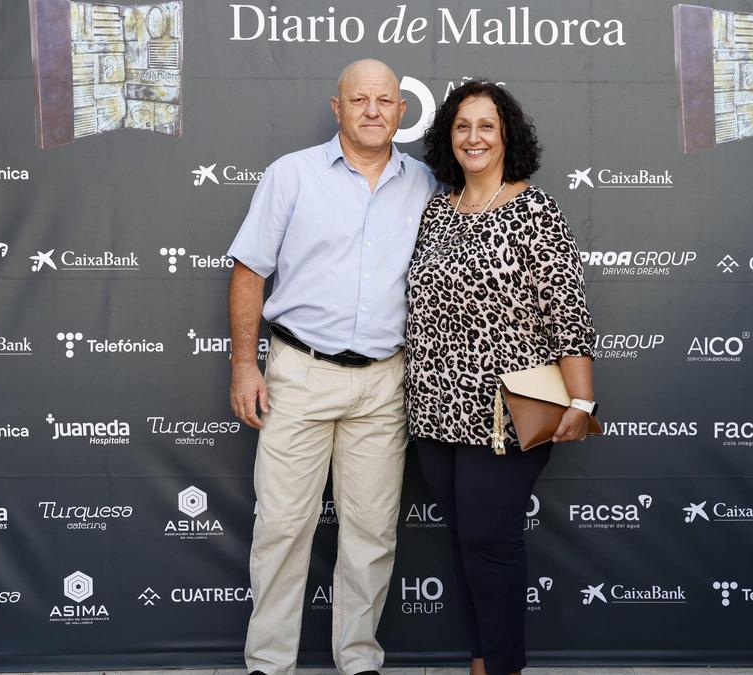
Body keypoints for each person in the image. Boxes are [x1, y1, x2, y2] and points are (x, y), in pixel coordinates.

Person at [226, 58, 436, 675]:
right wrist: (245, 363)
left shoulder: (425, 182)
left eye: (385, 100)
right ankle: (268, 665)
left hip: (384, 382)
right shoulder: (292, 175)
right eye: (360, 100)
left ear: (402, 111)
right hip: (299, 373)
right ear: (337, 107)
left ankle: (358, 660)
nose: (373, 111)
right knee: (282, 529)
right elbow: (249, 270)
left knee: (372, 534)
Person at [405, 81, 596, 675]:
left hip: (504, 413)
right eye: (462, 126)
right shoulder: (437, 211)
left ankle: (503, 667)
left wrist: (582, 397)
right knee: (466, 543)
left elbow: (566, 309)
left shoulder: (534, 208)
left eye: (486, 125)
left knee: (491, 541)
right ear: (448, 138)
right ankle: (481, 660)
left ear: (506, 134)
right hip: (435, 410)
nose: (474, 137)